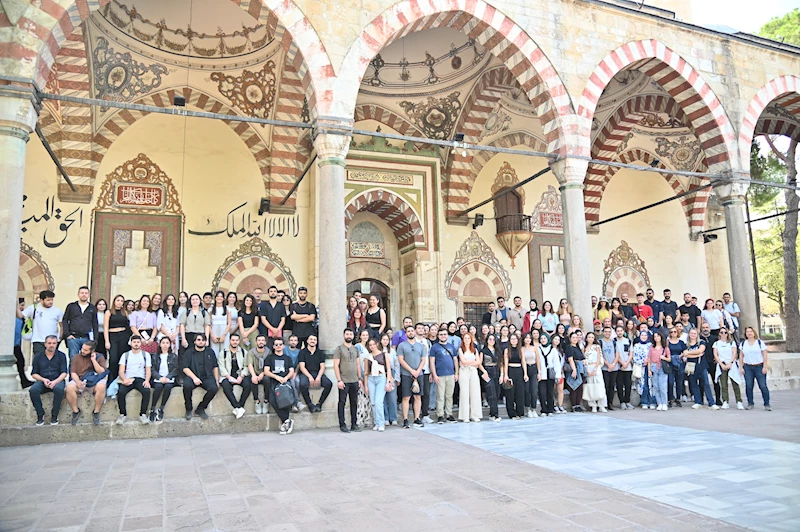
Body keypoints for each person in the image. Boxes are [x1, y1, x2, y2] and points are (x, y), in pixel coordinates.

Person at [65, 340, 108, 425]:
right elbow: (73, 372)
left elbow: (101, 372)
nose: (83, 351)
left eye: (86, 350)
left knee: (102, 386)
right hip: (80, 380)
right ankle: (76, 411)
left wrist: (94, 360)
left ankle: (96, 412)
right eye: (82, 349)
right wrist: (77, 382)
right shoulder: (76, 357)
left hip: (94, 381)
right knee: (69, 388)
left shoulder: (100, 357)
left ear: (92, 351)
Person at [29, 335, 67, 425]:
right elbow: (34, 373)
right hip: (42, 380)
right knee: (33, 390)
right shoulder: (38, 356)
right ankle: (40, 414)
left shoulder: (61, 356)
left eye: (54, 343)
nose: (51, 345)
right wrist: (43, 380)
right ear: (45, 344)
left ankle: (54, 415)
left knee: (59, 390)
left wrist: (55, 382)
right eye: (49, 343)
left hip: (57, 380)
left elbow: (64, 373)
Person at [182, 334, 220, 420]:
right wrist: (194, 378)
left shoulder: (210, 352)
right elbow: (185, 368)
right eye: (198, 340)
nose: (201, 341)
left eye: (203, 340)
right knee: (186, 386)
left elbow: (215, 366)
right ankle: (188, 408)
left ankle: (201, 408)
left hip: (206, 376)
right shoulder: (189, 352)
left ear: (205, 342)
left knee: (214, 388)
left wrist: (217, 380)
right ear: (194, 341)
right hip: (192, 376)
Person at [116, 335, 152, 425]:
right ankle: (122, 414)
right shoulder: (125, 355)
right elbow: (121, 371)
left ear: (141, 343)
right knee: (121, 392)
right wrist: (124, 379)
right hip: (128, 378)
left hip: (140, 378)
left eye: (138, 342)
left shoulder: (145, 354)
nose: (136, 344)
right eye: (134, 342)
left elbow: (148, 369)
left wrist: (147, 380)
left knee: (146, 391)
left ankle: (143, 414)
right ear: (131, 343)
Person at [264, 338, 296, 435]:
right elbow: (266, 371)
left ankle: (285, 423)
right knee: (273, 400)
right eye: (276, 344)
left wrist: (285, 378)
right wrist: (277, 377)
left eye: (280, 344)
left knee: (285, 401)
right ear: (273, 346)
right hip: (274, 382)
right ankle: (287, 421)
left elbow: (291, 371)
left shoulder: (287, 358)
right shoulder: (269, 358)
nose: (278, 346)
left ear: (283, 346)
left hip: (285, 383)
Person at [397, 324, 426, 428]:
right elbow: (401, 359)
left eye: (412, 331)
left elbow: (423, 359)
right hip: (406, 374)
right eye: (408, 331)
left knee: (418, 397)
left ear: (415, 332)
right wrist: (411, 370)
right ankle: (405, 419)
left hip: (419, 374)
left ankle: (417, 418)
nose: (410, 333)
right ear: (406, 333)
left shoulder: (421, 346)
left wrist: (417, 371)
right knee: (406, 397)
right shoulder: (402, 346)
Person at [333, 329, 362, 433]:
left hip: (354, 380)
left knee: (354, 402)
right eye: (347, 334)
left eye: (350, 334)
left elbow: (358, 364)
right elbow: (336, 365)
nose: (349, 336)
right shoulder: (339, 349)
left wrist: (359, 378)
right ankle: (342, 424)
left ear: (353, 336)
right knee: (342, 402)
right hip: (344, 380)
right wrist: (339, 380)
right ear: (344, 335)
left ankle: (354, 424)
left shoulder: (355, 349)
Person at [20, 290, 63, 358]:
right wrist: (16, 304)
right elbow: (20, 315)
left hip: (52, 341)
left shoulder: (57, 311)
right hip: (38, 340)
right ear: (41, 300)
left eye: (52, 300)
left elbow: (61, 325)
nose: (51, 302)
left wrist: (59, 338)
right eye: (48, 300)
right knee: (39, 361)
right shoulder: (33, 308)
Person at [362, 337, 392, 431]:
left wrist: (388, 382)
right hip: (371, 378)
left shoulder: (384, 355)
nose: (372, 346)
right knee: (373, 402)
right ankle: (376, 422)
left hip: (381, 377)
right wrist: (366, 385)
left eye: (373, 344)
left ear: (377, 344)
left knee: (379, 402)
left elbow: (388, 369)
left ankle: (381, 423)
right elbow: (366, 372)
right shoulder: (368, 357)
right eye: (370, 345)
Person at [297, 334, 332, 412]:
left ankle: (319, 404)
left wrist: (319, 377)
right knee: (303, 384)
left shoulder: (320, 352)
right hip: (305, 373)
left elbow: (322, 366)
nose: (312, 341)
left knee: (329, 384)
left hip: (317, 373)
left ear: (316, 342)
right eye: (311, 339)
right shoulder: (302, 352)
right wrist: (309, 377)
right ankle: (310, 404)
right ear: (307, 341)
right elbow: (302, 367)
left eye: (314, 340)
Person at [218, 333, 249, 420]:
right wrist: (229, 377)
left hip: (240, 375)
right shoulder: (223, 353)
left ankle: (240, 406)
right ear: (229, 341)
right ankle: (237, 407)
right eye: (233, 340)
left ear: (239, 341)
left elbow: (247, 366)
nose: (235, 342)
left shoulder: (244, 352)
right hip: (228, 375)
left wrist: (241, 376)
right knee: (225, 385)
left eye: (236, 340)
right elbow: (221, 367)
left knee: (248, 384)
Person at [180, 294, 211, 380]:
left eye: (196, 299)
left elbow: (206, 326)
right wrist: (183, 338)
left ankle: (200, 374)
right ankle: (188, 376)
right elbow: (182, 325)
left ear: (200, 301)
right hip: (189, 335)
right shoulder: (186, 312)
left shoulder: (204, 312)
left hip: (200, 335)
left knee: (200, 355)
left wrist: (207, 339)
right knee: (188, 355)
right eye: (193, 299)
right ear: (190, 301)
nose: (195, 301)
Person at [62, 286, 98, 361]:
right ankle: (73, 373)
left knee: (86, 360)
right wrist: (67, 334)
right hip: (73, 337)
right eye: (82, 293)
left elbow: (95, 323)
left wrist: (95, 339)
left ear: (89, 295)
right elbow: (65, 320)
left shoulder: (92, 308)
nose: (84, 295)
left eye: (86, 293)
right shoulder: (71, 306)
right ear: (78, 294)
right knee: (73, 358)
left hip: (87, 338)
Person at [685, 329, 718, 410]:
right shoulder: (686, 344)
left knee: (706, 383)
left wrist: (689, 353)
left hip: (701, 365)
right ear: (689, 334)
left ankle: (711, 402)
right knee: (694, 384)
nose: (693, 335)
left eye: (694, 333)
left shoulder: (701, 342)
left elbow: (701, 350)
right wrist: (696, 354)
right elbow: (685, 355)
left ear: (697, 334)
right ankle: (698, 402)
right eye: (691, 333)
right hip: (691, 366)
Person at [740, 327, 771, 411]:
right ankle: (750, 403)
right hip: (748, 367)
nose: (749, 333)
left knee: (763, 386)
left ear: (754, 333)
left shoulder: (759, 343)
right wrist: (741, 367)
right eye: (747, 332)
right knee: (749, 386)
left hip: (759, 366)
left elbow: (765, 355)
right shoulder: (743, 344)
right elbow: (741, 356)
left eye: (751, 331)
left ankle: (767, 404)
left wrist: (765, 366)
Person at [149, 336, 179, 422]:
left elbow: (176, 369)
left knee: (168, 387)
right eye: (163, 343)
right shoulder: (155, 356)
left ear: (170, 345)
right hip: (158, 378)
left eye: (167, 343)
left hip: (169, 378)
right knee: (158, 387)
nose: (165, 345)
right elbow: (152, 369)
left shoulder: (174, 356)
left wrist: (168, 377)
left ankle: (161, 408)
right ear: (160, 344)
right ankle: (152, 408)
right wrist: (159, 377)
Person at [713, 328, 743, 410]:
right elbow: (715, 354)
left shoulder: (731, 343)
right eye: (721, 332)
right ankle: (725, 401)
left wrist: (730, 363)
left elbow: (734, 353)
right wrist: (721, 364)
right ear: (719, 333)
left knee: (735, 383)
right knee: (723, 384)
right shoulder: (716, 343)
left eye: (725, 332)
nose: (723, 334)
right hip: (722, 365)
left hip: (731, 365)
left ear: (727, 333)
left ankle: (739, 401)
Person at [457, 332, 485, 422]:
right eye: (465, 338)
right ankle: (465, 416)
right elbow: (463, 361)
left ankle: (475, 415)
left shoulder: (475, 350)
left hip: (473, 371)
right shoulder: (461, 349)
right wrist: (472, 362)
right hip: (464, 371)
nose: (467, 340)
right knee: (464, 393)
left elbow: (478, 362)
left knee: (475, 393)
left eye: (468, 338)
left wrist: (468, 362)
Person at [103, 294, 130, 387]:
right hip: (112, 336)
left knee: (121, 359)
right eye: (118, 300)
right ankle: (110, 381)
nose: (119, 302)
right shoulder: (109, 312)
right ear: (114, 301)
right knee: (113, 359)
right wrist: (107, 341)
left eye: (121, 301)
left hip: (123, 336)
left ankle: (120, 380)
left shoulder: (125, 313)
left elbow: (128, 326)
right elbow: (105, 327)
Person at [502, 333, 528, 418]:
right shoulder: (507, 350)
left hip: (519, 371)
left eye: (515, 339)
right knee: (510, 393)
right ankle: (512, 414)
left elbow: (523, 362)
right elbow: (505, 363)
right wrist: (506, 375)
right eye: (512, 339)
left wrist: (525, 373)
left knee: (520, 393)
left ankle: (520, 412)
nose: (513, 340)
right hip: (510, 370)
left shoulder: (520, 349)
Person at [245, 334, 270, 414]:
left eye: (262, 340)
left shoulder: (269, 352)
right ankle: (257, 401)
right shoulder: (251, 352)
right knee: (253, 381)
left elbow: (269, 365)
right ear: (256, 342)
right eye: (259, 340)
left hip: (265, 373)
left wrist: (262, 374)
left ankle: (266, 401)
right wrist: (254, 375)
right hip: (254, 373)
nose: (261, 342)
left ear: (265, 342)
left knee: (267, 380)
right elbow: (250, 364)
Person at [583, 332, 606, 413]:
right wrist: (588, 370)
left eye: (592, 337)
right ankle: (593, 405)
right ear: (586, 338)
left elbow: (599, 359)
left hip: (596, 367)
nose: (590, 339)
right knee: (590, 386)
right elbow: (584, 360)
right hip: (588, 367)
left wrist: (595, 369)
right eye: (589, 337)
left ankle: (602, 405)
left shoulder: (597, 347)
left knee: (599, 385)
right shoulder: (584, 348)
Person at [380, 333, 400, 426]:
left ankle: (393, 417)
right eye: (383, 339)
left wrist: (397, 377)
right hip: (381, 373)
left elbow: (396, 364)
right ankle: (386, 418)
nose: (385, 341)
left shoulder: (392, 351)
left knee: (392, 397)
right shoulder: (378, 350)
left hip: (391, 373)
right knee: (383, 397)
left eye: (387, 340)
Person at [649, 332, 671, 411]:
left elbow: (669, 359)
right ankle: (659, 403)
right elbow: (649, 359)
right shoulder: (652, 347)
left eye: (658, 336)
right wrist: (649, 370)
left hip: (662, 367)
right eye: (655, 336)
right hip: (654, 366)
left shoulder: (665, 348)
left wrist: (663, 358)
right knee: (656, 386)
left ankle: (664, 403)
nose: (656, 338)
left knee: (663, 387)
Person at [666, 326, 687, 407]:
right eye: (671, 332)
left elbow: (685, 351)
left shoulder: (681, 342)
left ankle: (678, 398)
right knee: (670, 382)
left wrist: (680, 356)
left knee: (679, 382)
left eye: (675, 332)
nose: (673, 333)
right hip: (670, 363)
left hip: (680, 363)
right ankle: (670, 398)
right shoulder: (667, 342)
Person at [14, 299, 33, 388]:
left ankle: (24, 380)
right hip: (11, 343)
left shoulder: (22, 317)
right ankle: (23, 381)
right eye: (20, 305)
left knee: (21, 361)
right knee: (20, 360)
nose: (22, 307)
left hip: (16, 343)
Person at [538, 334, 558, 416]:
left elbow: (556, 362)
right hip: (542, 373)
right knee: (542, 392)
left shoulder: (553, 349)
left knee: (550, 392)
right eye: (541, 338)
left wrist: (557, 374)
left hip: (550, 373)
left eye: (544, 338)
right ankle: (543, 409)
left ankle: (550, 408)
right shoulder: (538, 349)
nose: (543, 340)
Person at [599, 326, 619, 410]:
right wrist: (608, 364)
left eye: (609, 332)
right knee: (605, 386)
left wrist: (613, 364)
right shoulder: (600, 342)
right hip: (605, 368)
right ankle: (605, 403)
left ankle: (610, 403)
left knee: (612, 386)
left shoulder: (614, 342)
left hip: (614, 367)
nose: (607, 333)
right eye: (606, 332)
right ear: (603, 333)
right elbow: (600, 355)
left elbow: (617, 354)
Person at [564, 331, 584, 412]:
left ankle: (578, 404)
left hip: (580, 368)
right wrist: (574, 370)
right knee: (574, 387)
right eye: (573, 337)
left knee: (580, 387)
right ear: (570, 339)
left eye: (576, 337)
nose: (575, 339)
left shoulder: (578, 347)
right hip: (574, 368)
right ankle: (574, 406)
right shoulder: (569, 347)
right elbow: (570, 359)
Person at [632, 330, 653, 409]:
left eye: (645, 335)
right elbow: (635, 356)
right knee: (643, 385)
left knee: (651, 384)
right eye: (642, 335)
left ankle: (652, 401)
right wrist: (642, 362)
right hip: (641, 367)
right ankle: (644, 401)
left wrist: (649, 361)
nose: (644, 337)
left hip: (650, 367)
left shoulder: (651, 345)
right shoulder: (636, 345)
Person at [521, 333, 539, 418]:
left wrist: (539, 372)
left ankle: (534, 408)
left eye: (529, 338)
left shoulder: (534, 348)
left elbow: (538, 360)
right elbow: (523, 361)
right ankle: (528, 409)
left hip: (534, 368)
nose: (528, 339)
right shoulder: (522, 349)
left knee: (534, 390)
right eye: (526, 338)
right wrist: (525, 373)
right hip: (526, 368)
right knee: (527, 390)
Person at [615, 326, 633, 409]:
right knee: (619, 385)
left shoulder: (628, 341)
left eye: (621, 330)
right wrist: (622, 363)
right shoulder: (614, 341)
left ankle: (627, 401)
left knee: (628, 384)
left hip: (628, 367)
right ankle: (622, 402)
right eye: (618, 331)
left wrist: (626, 363)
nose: (619, 332)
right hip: (618, 367)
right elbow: (615, 355)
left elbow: (631, 353)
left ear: (623, 331)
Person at [209, 290, 231, 356]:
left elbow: (229, 323)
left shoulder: (227, 309)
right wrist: (212, 335)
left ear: (224, 298)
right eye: (218, 296)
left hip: (224, 331)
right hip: (214, 331)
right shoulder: (211, 309)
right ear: (215, 298)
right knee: (214, 351)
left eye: (221, 296)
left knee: (225, 351)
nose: (219, 298)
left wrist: (224, 335)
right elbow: (208, 324)